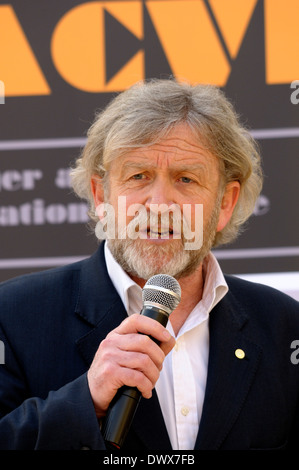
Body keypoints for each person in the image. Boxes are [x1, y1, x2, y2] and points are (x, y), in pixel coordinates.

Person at [0, 79, 298, 451]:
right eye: (138, 176)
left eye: (185, 178)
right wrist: (85, 401)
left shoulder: (285, 326)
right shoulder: (12, 317)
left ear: (225, 202)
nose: (159, 203)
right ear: (101, 194)